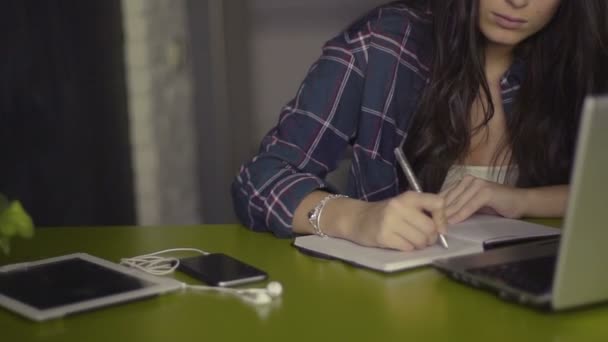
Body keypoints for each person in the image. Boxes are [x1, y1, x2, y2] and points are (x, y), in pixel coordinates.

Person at [231, 0, 608, 251]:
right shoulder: (382, 45)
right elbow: (259, 181)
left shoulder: (583, 56)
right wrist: (358, 218)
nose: (518, 0)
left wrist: (524, 201)